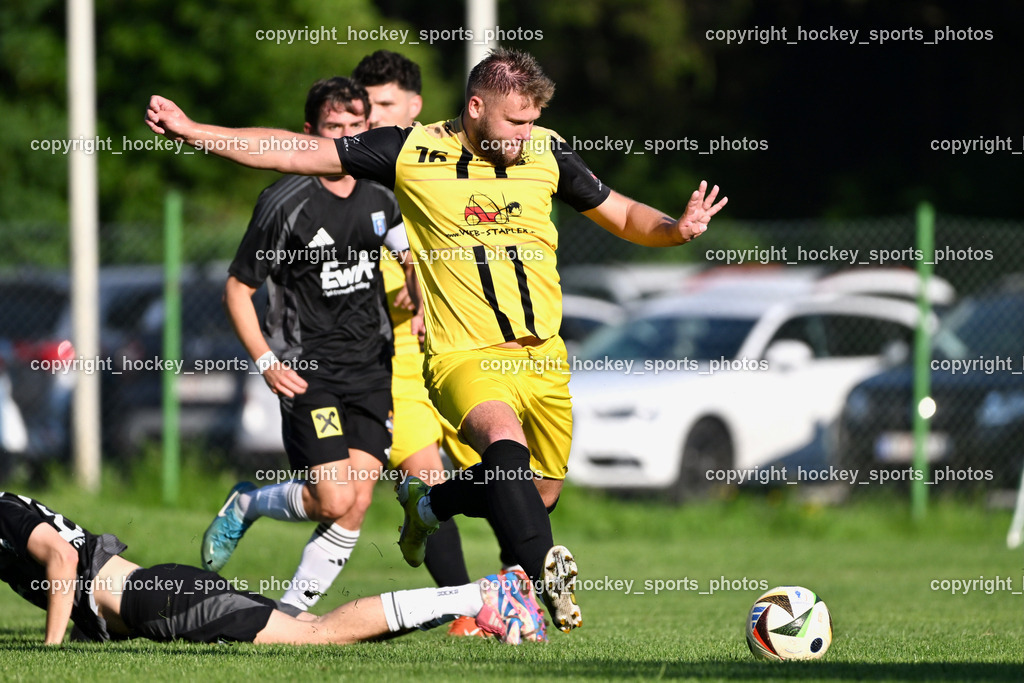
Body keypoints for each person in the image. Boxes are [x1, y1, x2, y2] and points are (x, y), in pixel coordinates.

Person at [145, 47, 727, 633]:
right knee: (503, 448)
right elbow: (295, 150)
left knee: (539, 492)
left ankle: (430, 504)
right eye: (516, 122)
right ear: (476, 107)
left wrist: (676, 230)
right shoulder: (410, 151)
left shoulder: (547, 151)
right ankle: (537, 577)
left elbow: (622, 214)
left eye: (533, 121)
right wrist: (194, 130)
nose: (528, 133)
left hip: (544, 358)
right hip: (463, 356)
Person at [352, 49, 547, 625]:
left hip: (468, 344)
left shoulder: (440, 162)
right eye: (363, 107)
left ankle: (514, 594)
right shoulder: (373, 165)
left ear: (413, 106)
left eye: (382, 104)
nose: (370, 117)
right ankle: (468, 610)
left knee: (514, 482)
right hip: (399, 357)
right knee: (422, 470)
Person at [206, 77, 409, 614]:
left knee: (358, 501)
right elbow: (238, 287)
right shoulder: (285, 201)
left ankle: (290, 616)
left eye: (354, 127)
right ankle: (249, 500)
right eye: (332, 128)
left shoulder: (384, 192)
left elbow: (407, 244)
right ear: (310, 134)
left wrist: (416, 277)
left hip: (371, 369)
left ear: (369, 130)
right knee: (333, 498)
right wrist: (266, 361)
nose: (345, 138)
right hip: (307, 369)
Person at [0, 491, 542, 645]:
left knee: (321, 635)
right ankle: (485, 598)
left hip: (163, 599)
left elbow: (65, 559)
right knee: (309, 627)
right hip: (161, 596)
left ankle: (479, 596)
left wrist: (51, 650)